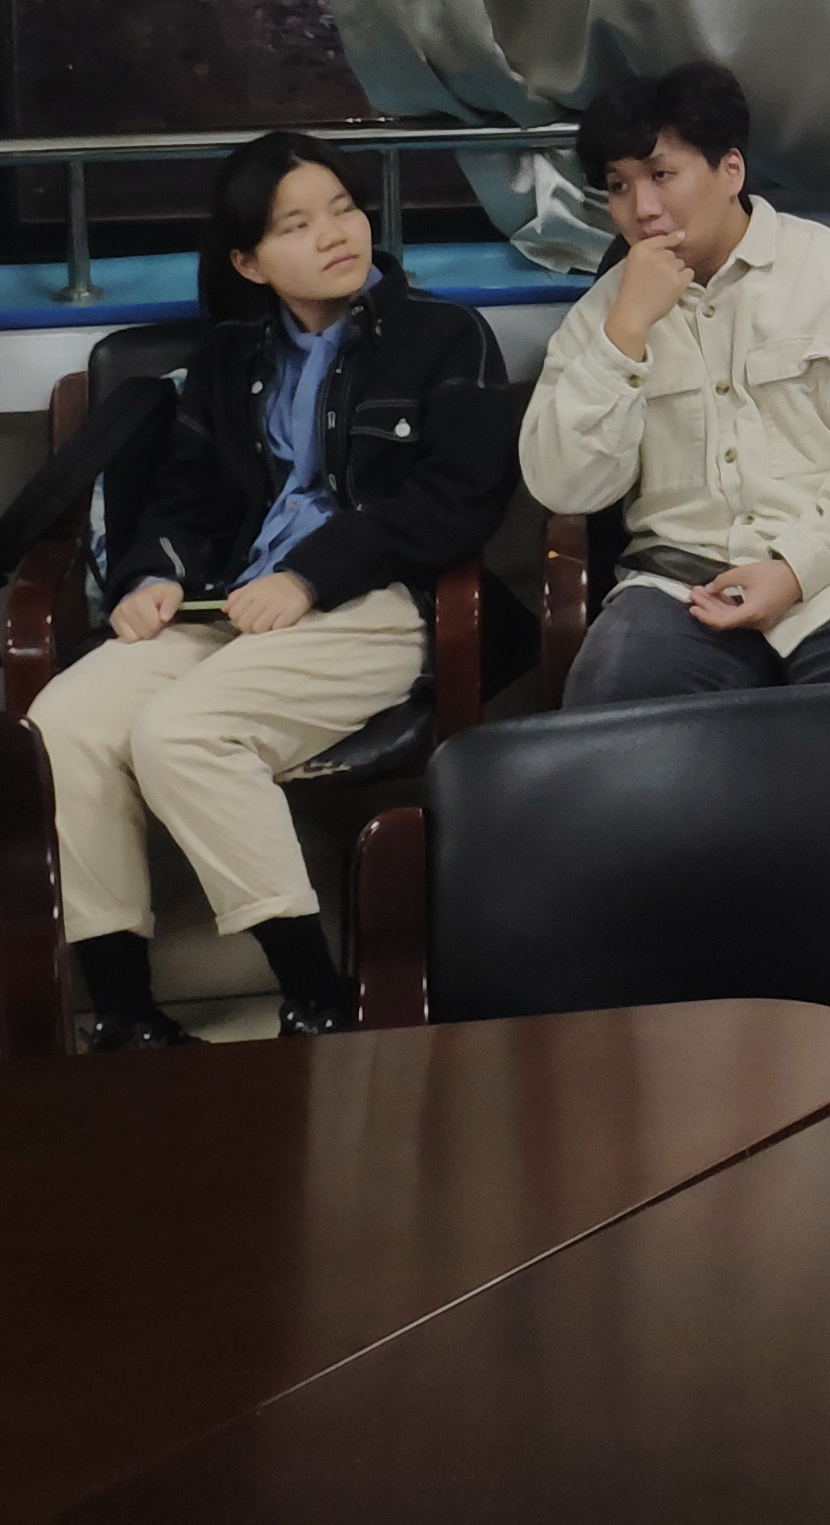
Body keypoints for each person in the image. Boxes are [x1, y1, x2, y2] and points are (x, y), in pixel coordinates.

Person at [30, 132, 516, 1047]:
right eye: (296, 224)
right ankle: (126, 1015)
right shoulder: (229, 357)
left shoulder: (443, 336)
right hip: (229, 604)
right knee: (63, 721)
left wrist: (311, 574)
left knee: (183, 733)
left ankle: (317, 997)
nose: (335, 233)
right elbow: (185, 497)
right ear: (249, 262)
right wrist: (150, 576)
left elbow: (459, 499)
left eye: (343, 208)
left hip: (376, 605)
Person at [518, 62, 830, 703]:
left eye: (661, 175)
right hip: (681, 588)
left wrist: (794, 570)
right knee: (612, 732)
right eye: (618, 186)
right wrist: (626, 334)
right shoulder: (607, 312)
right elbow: (564, 486)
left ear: (731, 170)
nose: (642, 209)